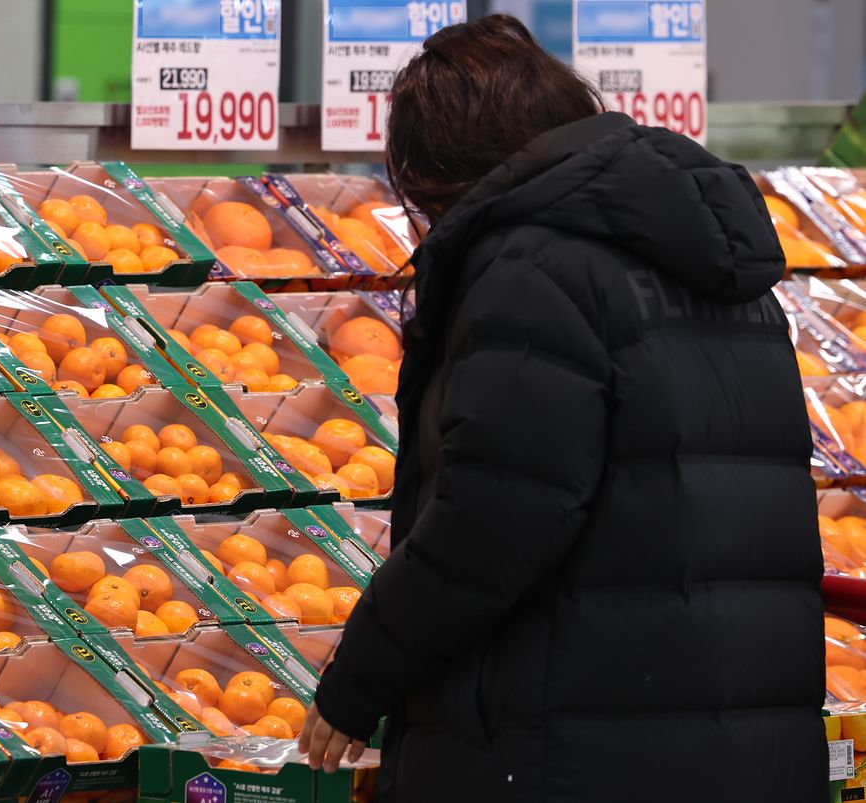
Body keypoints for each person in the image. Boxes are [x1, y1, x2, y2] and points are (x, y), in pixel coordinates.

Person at [299, 14, 825, 802]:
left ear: (444, 169)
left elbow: (494, 519)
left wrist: (360, 677)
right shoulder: (727, 274)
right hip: (746, 747)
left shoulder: (532, 270)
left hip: (576, 751)